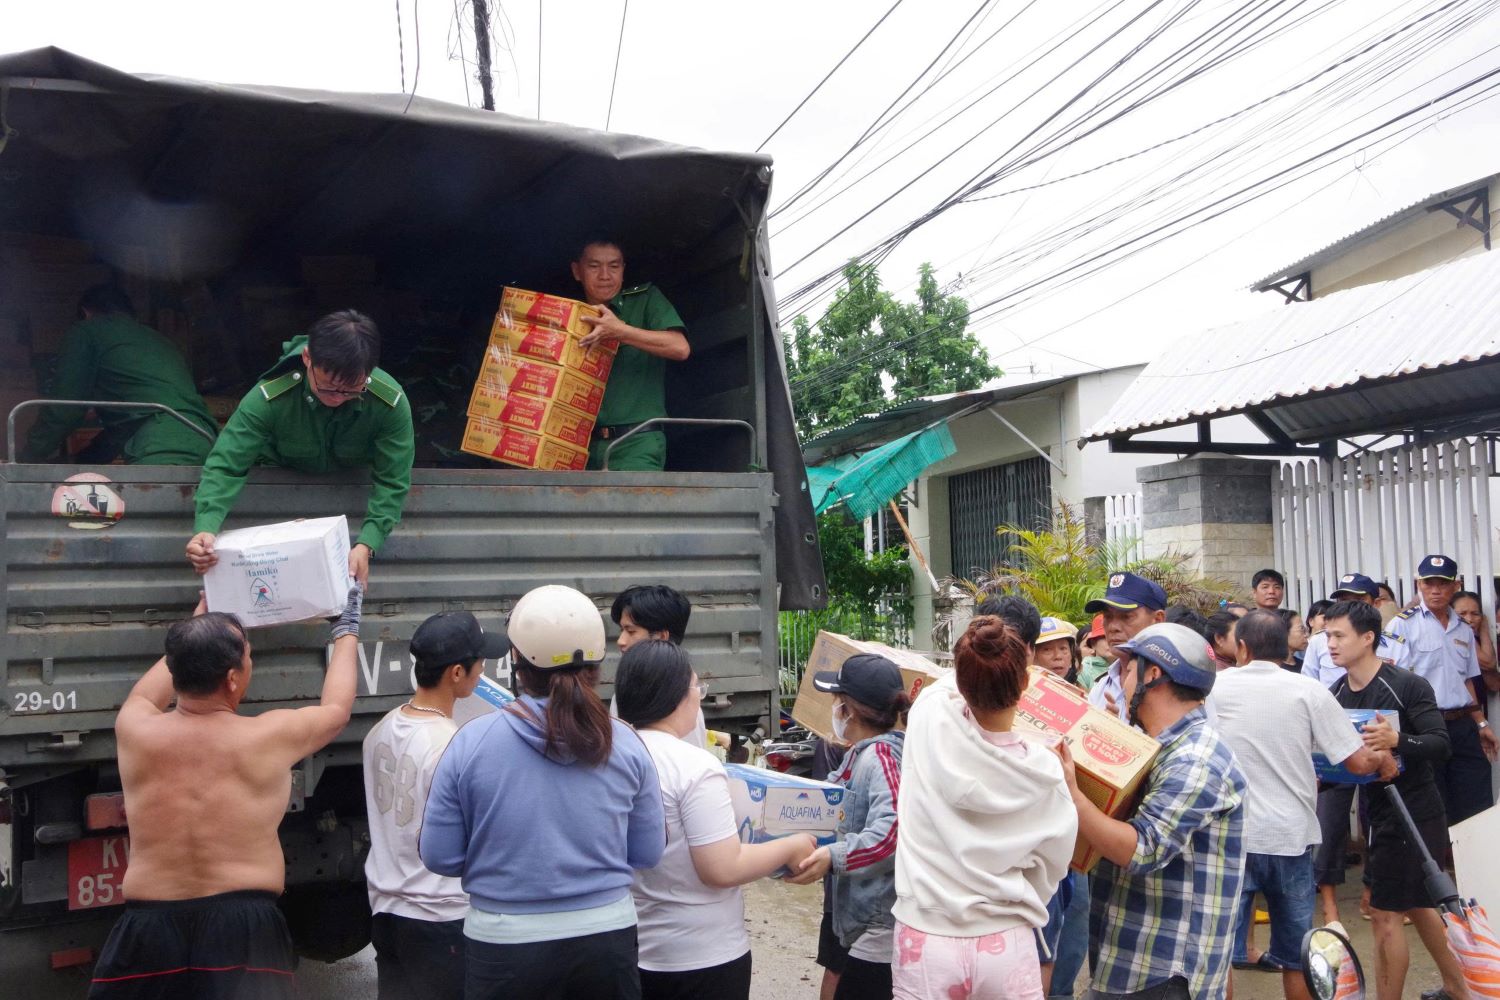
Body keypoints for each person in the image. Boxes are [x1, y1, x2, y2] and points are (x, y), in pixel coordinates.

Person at [88, 587, 362, 999]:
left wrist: (197, 623)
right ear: (233, 678)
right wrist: (347, 629)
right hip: (244, 927)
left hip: (148, 927)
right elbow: (337, 710)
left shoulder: (136, 729)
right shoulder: (268, 736)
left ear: (176, 670)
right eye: (248, 656)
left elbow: (147, 693)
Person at [420, 585, 664, 999]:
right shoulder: (626, 742)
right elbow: (648, 852)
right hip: (606, 941)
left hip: (503, 946)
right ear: (597, 661)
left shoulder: (470, 742)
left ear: (516, 659)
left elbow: (440, 856)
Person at [1209, 611, 1395, 1000]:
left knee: (1219, 955)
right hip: (1289, 838)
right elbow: (1358, 762)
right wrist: (1383, 757)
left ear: (1241, 648)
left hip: (1230, 838)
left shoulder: (1215, 687)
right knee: (1297, 955)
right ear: (1286, 647)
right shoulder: (1309, 691)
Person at [616, 640, 816, 1000]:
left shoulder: (613, 757)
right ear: (676, 695)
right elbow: (721, 868)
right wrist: (791, 845)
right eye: (697, 687)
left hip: (634, 949)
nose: (699, 697)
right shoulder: (693, 766)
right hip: (701, 957)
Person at [891, 617, 1076, 1000]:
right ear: (1026, 682)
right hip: (1005, 939)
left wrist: (974, 655)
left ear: (961, 683)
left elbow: (948, 684)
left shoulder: (928, 719)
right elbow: (1053, 866)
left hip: (926, 937)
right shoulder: (1046, 771)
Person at [1062, 621, 1248, 1000]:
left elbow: (1142, 848)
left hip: (1162, 973)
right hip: (1134, 963)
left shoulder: (1196, 759)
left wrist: (1072, 793)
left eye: (1129, 669)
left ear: (1154, 673)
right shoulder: (1160, 747)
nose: (1122, 680)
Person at [186, 310, 415, 589]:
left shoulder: (389, 403)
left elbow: (392, 481)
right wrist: (206, 528)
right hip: (274, 501)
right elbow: (226, 465)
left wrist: (367, 544)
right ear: (307, 358)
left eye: (351, 390)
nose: (337, 398)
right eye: (328, 388)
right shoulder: (269, 398)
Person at [1322, 600, 1470, 1000]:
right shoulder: (1334, 694)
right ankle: (1461, 989)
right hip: (1378, 811)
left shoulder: (1406, 684)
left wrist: (1397, 740)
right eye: (1327, 635)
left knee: (1386, 915)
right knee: (1421, 907)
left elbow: (1440, 744)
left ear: (1368, 638)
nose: (1330, 644)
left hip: (1416, 810)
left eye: (1339, 635)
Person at [363, 611, 505, 1000]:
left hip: (388, 912)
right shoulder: (454, 745)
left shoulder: (379, 731)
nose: (484, 670)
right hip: (441, 916)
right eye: (480, 662)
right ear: (457, 673)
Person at [787, 654, 910, 1000]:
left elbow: (892, 831)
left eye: (835, 701)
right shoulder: (861, 753)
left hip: (878, 928)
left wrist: (833, 857)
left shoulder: (881, 758)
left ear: (849, 710)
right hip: (861, 924)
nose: (833, 709)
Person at [22, 284, 217, 465]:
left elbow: (64, 409)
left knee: (153, 502)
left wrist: (26, 459)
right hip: (207, 442)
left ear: (85, 313)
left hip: (161, 449)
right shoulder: (161, 341)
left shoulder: (87, 331)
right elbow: (121, 432)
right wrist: (78, 460)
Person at [1385, 555, 1499, 826]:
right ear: (1419, 584)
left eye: (1443, 583)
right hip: (1424, 725)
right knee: (1431, 800)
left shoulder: (1462, 627)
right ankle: (1439, 864)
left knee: (1475, 798)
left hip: (1462, 725)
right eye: (1429, 583)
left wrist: (1481, 722)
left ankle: (1472, 865)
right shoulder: (1402, 624)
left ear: (1455, 586)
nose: (1435, 590)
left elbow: (1468, 681)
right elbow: (1391, 680)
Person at [572, 239, 691, 471]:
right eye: (594, 266)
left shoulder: (645, 300)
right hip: (578, 445)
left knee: (628, 508)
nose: (605, 275)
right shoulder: (569, 314)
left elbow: (680, 347)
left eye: (614, 266)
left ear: (623, 270)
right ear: (577, 271)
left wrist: (621, 331)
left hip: (636, 443)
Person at [607, 584, 709, 751]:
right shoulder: (627, 689)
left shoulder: (682, 697)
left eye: (631, 631)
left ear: (661, 637)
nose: (620, 641)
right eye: (621, 630)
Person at [1085, 572, 1169, 722]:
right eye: (1108, 617)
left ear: (1157, 620)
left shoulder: (1177, 689)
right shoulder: (1101, 688)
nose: (1113, 627)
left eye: (1126, 616)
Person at [1300, 574, 1406, 687]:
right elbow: (1308, 687)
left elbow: (1403, 688)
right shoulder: (1319, 641)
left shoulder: (1395, 645)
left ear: (1376, 603)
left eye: (1359, 600)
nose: (1350, 607)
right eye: (1344, 600)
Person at [1035, 616, 1080, 684]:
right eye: (1047, 649)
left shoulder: (1084, 692)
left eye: (1063, 648)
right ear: (1033, 656)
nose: (1058, 656)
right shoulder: (1021, 692)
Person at [1079, 614, 1111, 691]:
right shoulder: (1083, 670)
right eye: (1105, 637)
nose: (1111, 640)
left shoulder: (1130, 667)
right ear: (1093, 644)